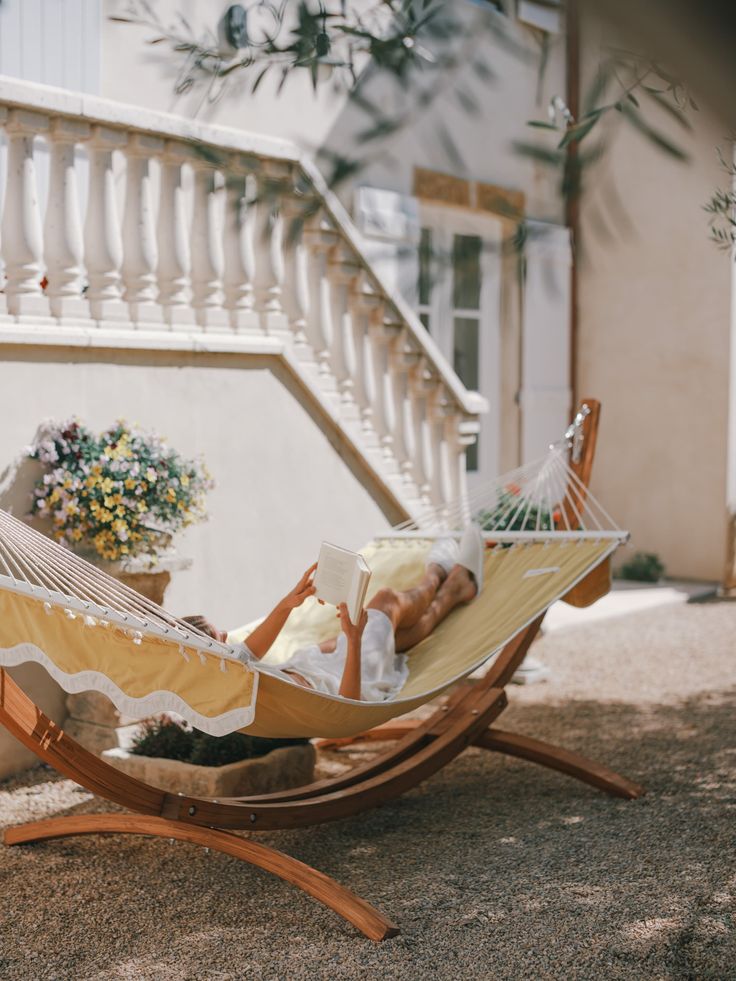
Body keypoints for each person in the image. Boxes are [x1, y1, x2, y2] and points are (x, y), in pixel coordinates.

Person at [183, 526, 484, 702]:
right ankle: (437, 573)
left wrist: (291, 601)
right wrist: (352, 640)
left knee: (390, 634)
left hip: (312, 664)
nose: (229, 639)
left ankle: (457, 588)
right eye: (223, 639)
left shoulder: (226, 674)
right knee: (386, 600)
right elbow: (345, 707)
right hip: (345, 677)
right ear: (214, 650)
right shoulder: (264, 692)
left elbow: (249, 650)